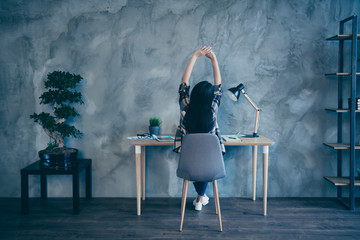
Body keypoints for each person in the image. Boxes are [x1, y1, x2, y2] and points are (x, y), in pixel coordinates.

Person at [173, 46, 225, 211]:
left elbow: (183, 83)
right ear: (210, 99)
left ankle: (200, 197)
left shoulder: (185, 108)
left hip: (189, 163)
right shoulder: (212, 110)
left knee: (196, 160)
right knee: (204, 160)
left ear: (193, 95)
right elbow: (218, 87)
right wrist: (213, 59)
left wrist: (195, 56)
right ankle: (201, 197)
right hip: (211, 164)